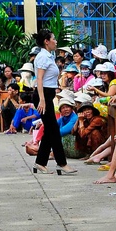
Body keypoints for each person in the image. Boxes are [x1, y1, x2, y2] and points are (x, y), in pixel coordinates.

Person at [32, 30, 76, 175]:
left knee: (50, 130)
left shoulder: (48, 56)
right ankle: (62, 163)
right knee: (54, 131)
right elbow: (39, 79)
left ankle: (40, 162)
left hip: (47, 95)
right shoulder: (43, 57)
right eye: (53, 39)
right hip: (42, 96)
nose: (56, 41)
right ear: (46, 41)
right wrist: (43, 100)